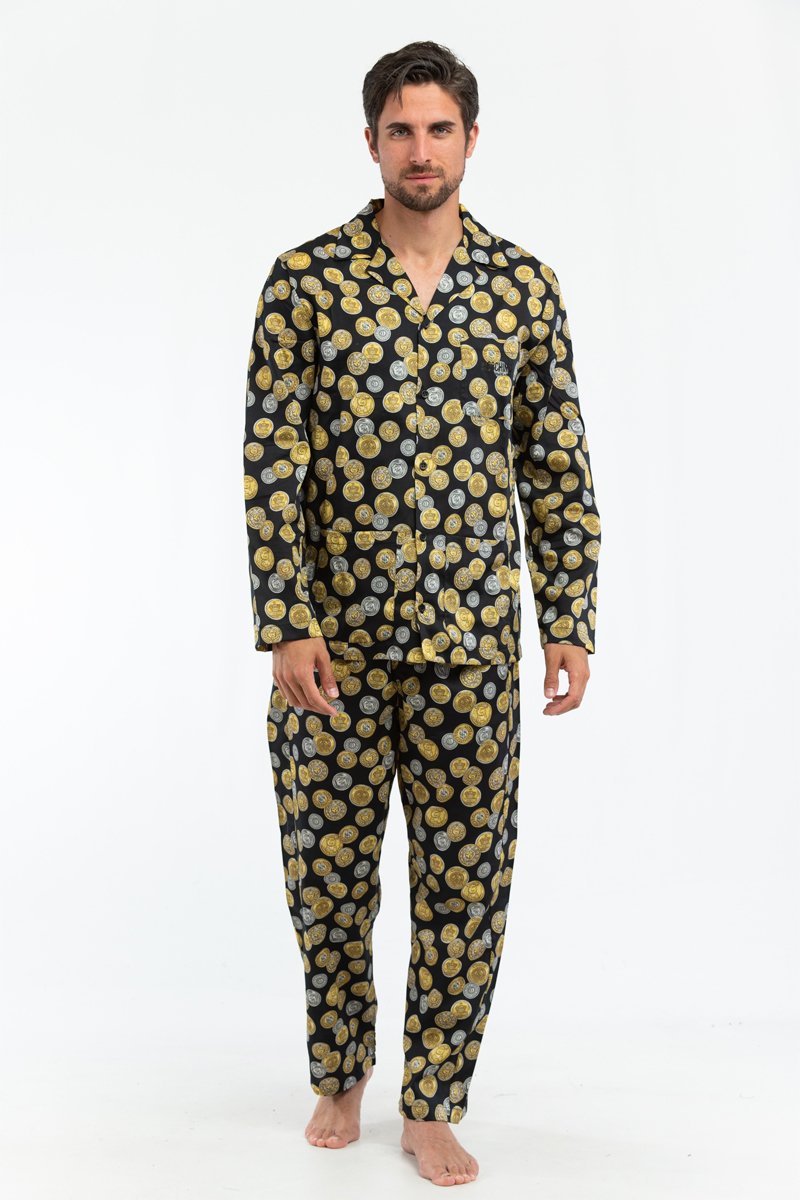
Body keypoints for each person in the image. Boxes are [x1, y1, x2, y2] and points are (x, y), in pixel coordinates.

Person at [242, 39, 601, 1187]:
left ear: (470, 140)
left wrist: (567, 615)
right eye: (399, 129)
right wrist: (285, 620)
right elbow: (272, 464)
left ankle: (433, 1100)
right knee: (326, 878)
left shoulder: (522, 288)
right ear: (370, 142)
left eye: (438, 128)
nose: (419, 149)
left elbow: (554, 465)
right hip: (332, 650)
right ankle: (339, 1070)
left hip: (468, 647)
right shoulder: (305, 282)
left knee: (463, 882)